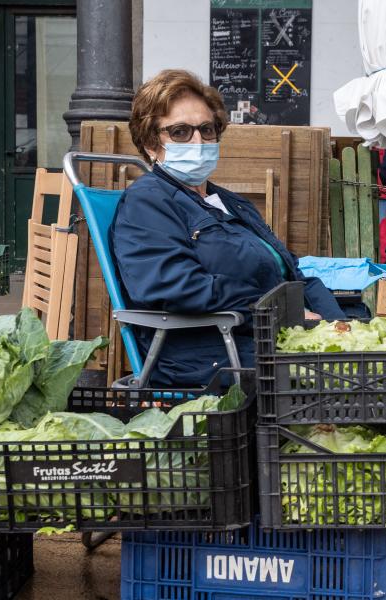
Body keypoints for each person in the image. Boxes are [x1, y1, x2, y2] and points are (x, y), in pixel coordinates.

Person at [110, 69, 344, 386]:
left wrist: (338, 323)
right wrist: (280, 315)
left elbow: (291, 272)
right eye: (180, 132)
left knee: (368, 352)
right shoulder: (145, 204)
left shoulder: (230, 202)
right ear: (152, 143)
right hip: (211, 355)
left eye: (207, 129)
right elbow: (181, 288)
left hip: (263, 338)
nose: (198, 140)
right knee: (342, 381)